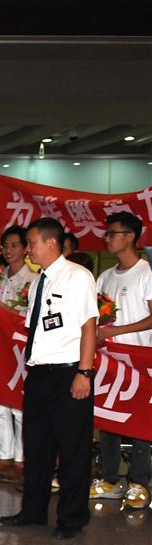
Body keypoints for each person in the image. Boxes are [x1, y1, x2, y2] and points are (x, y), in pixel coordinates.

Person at [0, 217, 97, 540]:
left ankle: (71, 517)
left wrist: (84, 372)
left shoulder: (77, 276)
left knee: (72, 449)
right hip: (40, 373)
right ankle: (33, 510)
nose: (29, 249)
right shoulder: (40, 281)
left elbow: (88, 326)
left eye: (32, 243)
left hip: (69, 372)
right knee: (37, 447)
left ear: (50, 243)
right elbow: (37, 328)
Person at [91, 211, 152, 510]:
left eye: (112, 233)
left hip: (140, 364)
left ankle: (139, 483)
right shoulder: (105, 276)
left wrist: (118, 330)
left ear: (130, 236)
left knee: (141, 424)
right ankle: (110, 480)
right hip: (110, 363)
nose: (106, 238)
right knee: (109, 421)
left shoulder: (146, 273)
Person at [0, 226, 38, 482]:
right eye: (5, 246)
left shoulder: (33, 280)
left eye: (14, 245)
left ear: (25, 248)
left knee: (19, 407)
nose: (8, 250)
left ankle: (21, 461)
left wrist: (1, 308)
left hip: (20, 351)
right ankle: (4, 456)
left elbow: (31, 318)